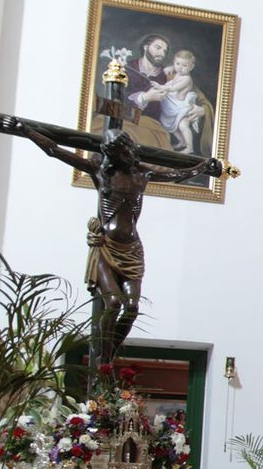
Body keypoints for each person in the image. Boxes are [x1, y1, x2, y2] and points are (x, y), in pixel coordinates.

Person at [22, 123, 222, 364]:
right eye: (121, 154)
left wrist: (202, 166)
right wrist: (27, 130)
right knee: (113, 303)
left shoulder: (141, 175)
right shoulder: (101, 173)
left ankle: (109, 354)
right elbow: (55, 150)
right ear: (111, 155)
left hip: (132, 250)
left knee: (132, 309)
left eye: (128, 152)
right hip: (106, 248)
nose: (127, 157)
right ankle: (103, 358)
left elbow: (176, 175)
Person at [152, 49, 206, 153]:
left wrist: (161, 87)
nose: (180, 68)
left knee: (183, 125)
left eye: (184, 65)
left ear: (191, 67)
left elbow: (174, 88)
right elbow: (170, 84)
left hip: (182, 107)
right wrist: (161, 86)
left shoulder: (187, 79)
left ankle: (190, 147)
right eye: (178, 64)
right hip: (174, 105)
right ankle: (182, 141)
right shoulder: (177, 74)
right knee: (165, 122)